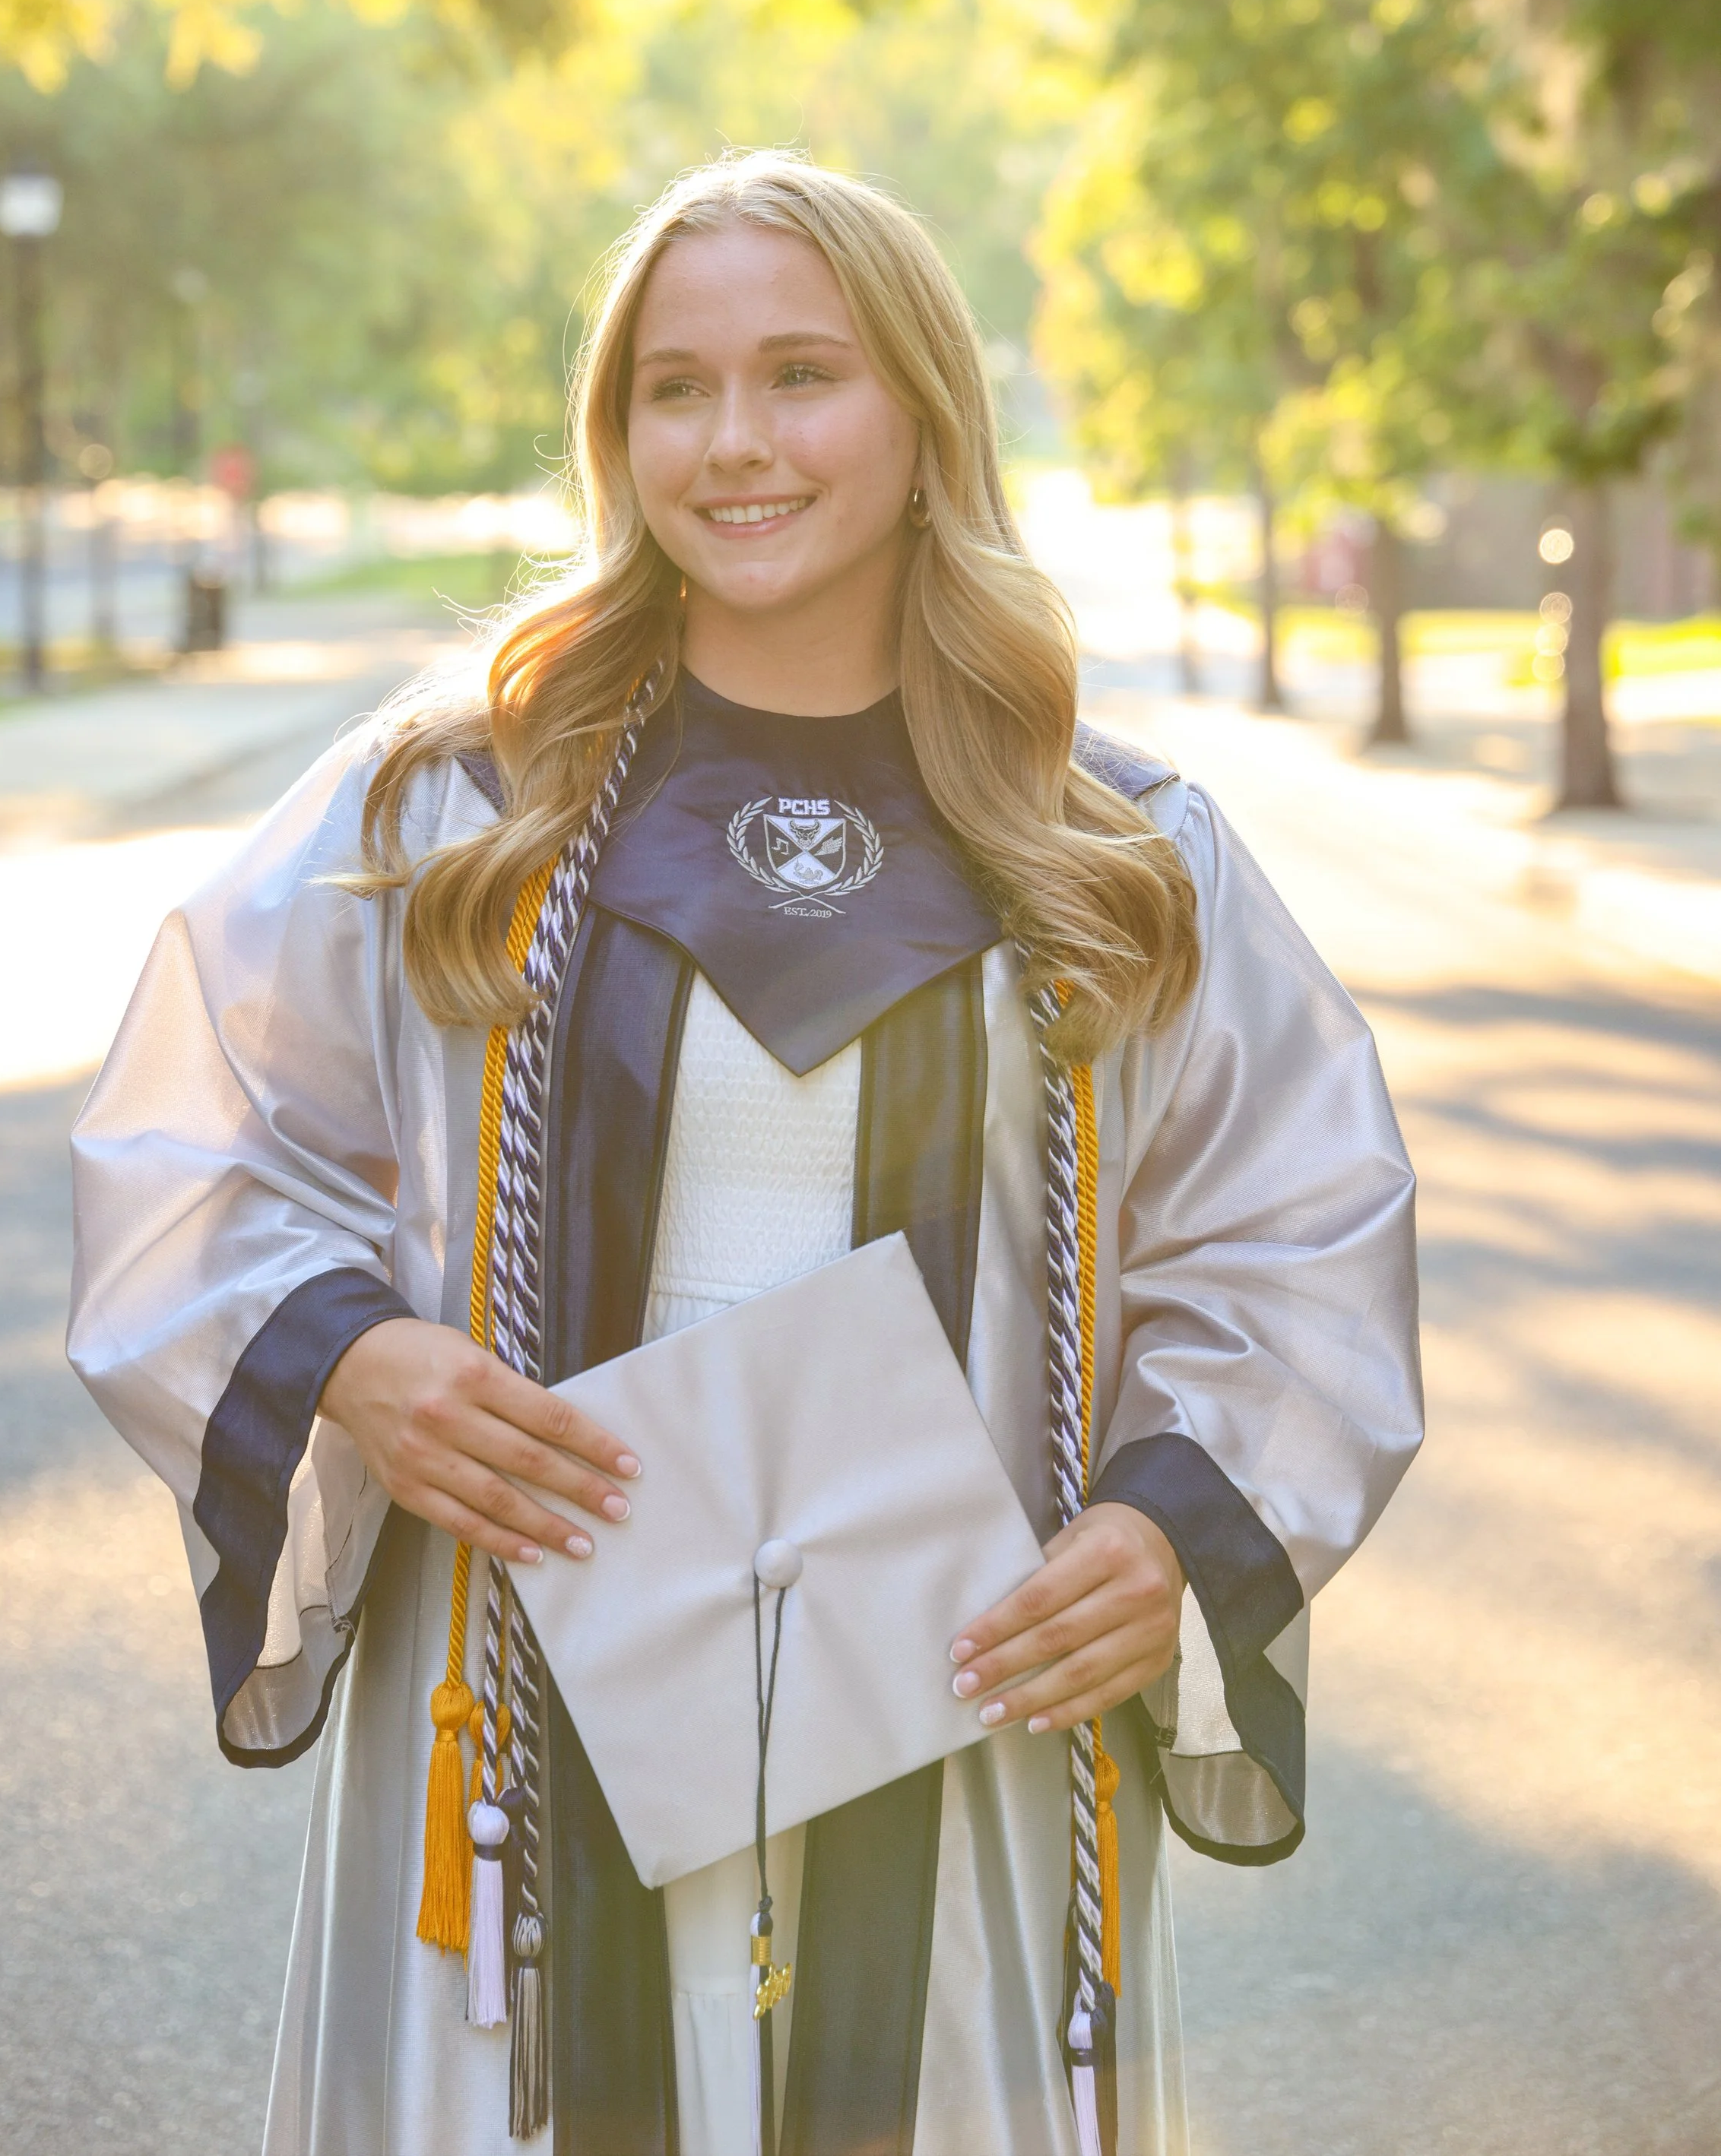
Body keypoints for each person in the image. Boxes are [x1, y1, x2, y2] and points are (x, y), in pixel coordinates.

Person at [69, 152, 1421, 2156]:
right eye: (671, 388)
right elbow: (202, 1134)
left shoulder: (1105, 850)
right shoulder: (458, 812)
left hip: (947, 1683)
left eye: (802, 372)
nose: (734, 440)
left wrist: (1166, 1523)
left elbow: (1284, 1241)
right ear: (614, 434)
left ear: (922, 411)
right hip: (535, 1651)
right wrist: (352, 1347)